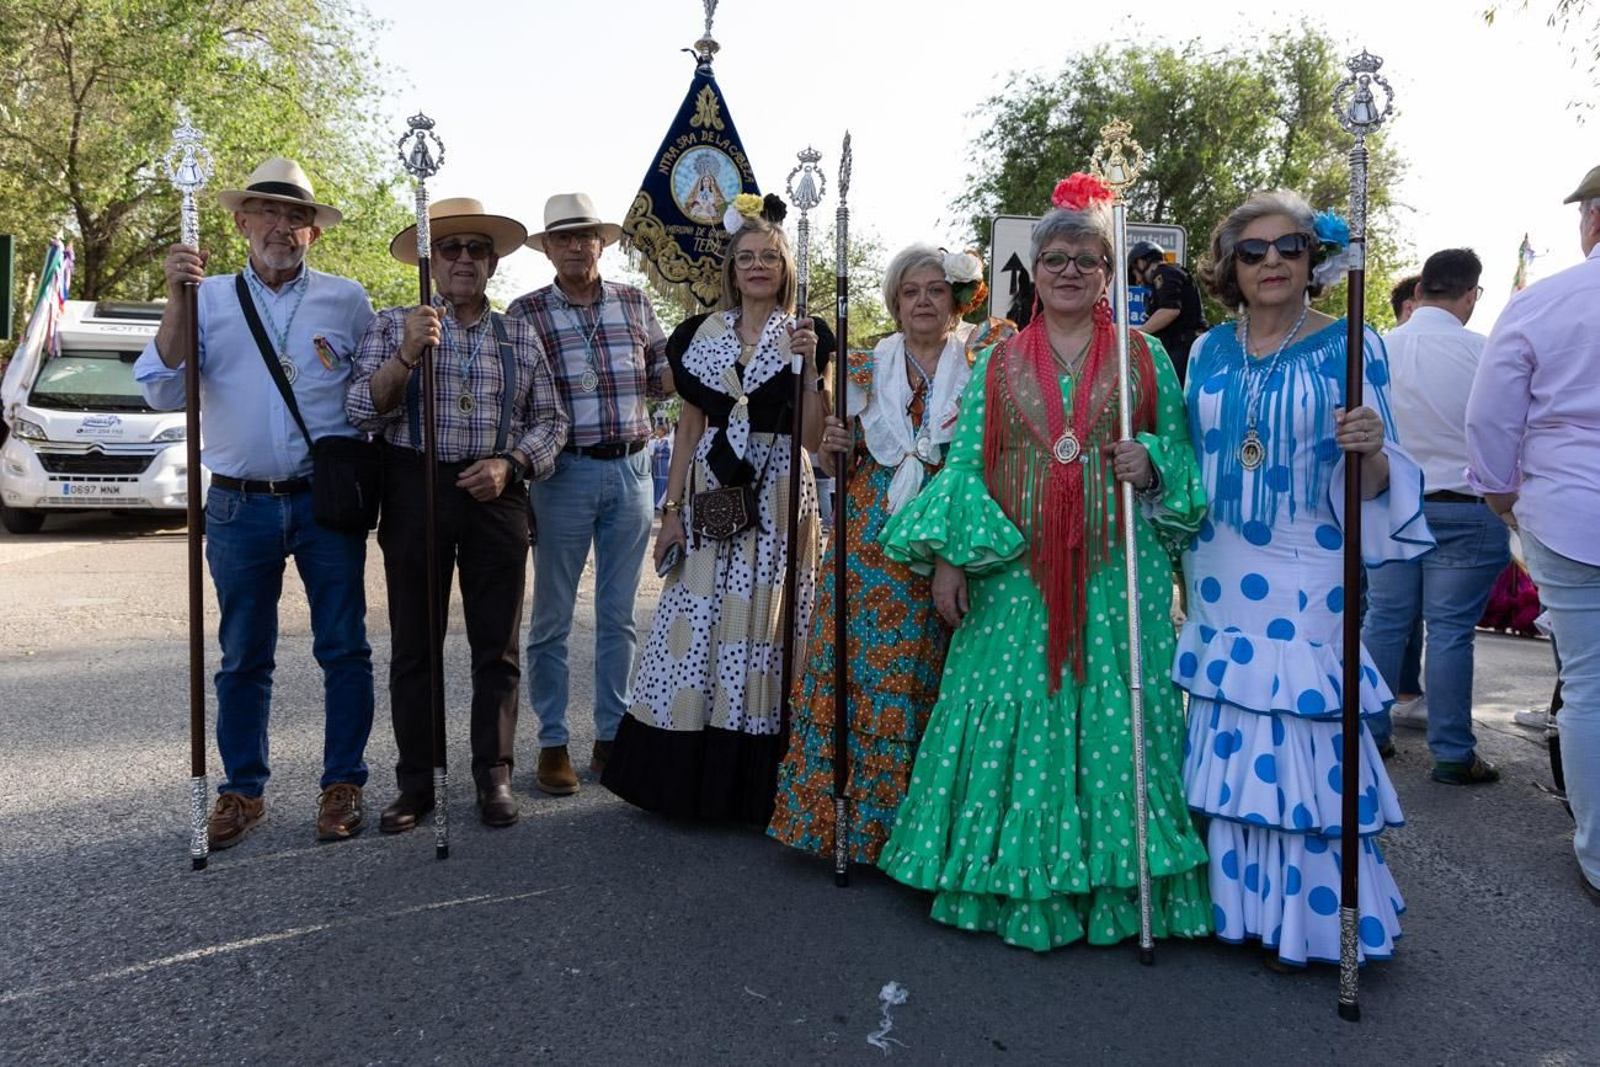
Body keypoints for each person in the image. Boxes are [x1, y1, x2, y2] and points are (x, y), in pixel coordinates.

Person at [876, 175, 1210, 951]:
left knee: (1116, 717)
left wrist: (1151, 460)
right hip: (1013, 574)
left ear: (1105, 272)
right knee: (1010, 715)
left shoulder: (1145, 355)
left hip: (1116, 569)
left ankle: (1121, 884)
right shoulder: (998, 360)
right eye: (1054, 259)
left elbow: (1189, 464)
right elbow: (964, 465)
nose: (1067, 271)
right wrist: (951, 562)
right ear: (1035, 270)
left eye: (1084, 260)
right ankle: (1008, 877)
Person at [1178, 189, 1432, 967]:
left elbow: (1372, 485)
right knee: (1229, 714)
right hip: (1219, 560)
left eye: (1289, 247)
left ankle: (1309, 916)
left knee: (1298, 717)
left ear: (1313, 258)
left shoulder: (1356, 343)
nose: (1272, 262)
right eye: (1251, 251)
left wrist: (1372, 446)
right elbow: (1191, 462)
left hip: (1308, 562)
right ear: (1229, 266)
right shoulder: (1206, 350)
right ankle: (1231, 906)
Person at [133, 158, 375, 848]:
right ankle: (242, 791)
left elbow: (370, 396)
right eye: (267, 211)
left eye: (296, 216)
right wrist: (177, 297)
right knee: (243, 654)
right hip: (239, 507)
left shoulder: (346, 300)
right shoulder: (203, 298)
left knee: (344, 647)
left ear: (313, 234)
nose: (281, 226)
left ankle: (343, 783)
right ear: (240, 222)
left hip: (324, 502)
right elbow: (157, 387)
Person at [768, 245, 1002, 864]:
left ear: (956, 300)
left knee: (935, 669)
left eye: (934, 290)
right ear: (895, 303)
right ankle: (850, 827)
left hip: (949, 528)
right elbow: (823, 446)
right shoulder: (864, 364)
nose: (923, 301)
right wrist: (829, 418)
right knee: (860, 670)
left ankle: (920, 833)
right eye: (910, 292)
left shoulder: (981, 361)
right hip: (871, 537)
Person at [602, 200, 833, 824]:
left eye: (769, 258)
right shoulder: (696, 338)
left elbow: (812, 437)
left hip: (781, 485)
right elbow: (688, 428)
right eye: (747, 258)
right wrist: (671, 508)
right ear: (732, 270)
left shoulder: (808, 333)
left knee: (764, 624)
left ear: (785, 269)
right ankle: (687, 777)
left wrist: (810, 368)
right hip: (710, 486)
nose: (758, 267)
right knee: (697, 621)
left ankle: (759, 784)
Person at [346, 198, 568, 831]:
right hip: (415, 487)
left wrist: (513, 464)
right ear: (430, 261)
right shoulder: (395, 324)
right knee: (416, 645)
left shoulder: (519, 335)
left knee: (496, 648)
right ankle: (417, 782)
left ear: (494, 264)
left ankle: (493, 775)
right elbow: (361, 409)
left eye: (476, 249)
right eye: (450, 249)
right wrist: (408, 356)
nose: (464, 259)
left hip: (497, 494)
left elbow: (552, 422)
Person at [506, 193, 670, 794]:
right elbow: (515, 400)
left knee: (620, 616)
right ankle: (553, 742)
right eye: (564, 237)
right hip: (561, 474)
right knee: (551, 616)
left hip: (632, 469)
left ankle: (611, 735)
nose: (576, 246)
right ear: (547, 247)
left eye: (586, 235)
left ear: (602, 242)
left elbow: (662, 377)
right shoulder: (522, 313)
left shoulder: (634, 301)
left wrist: (707, 344)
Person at [1467, 165, 1600, 905]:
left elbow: (1492, 416)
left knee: (1588, 687)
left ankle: (1598, 853)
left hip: (1571, 513)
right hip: (1567, 510)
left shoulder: (1544, 302)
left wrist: (1501, 492)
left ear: (1593, 221)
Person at [1361, 248, 1507, 782]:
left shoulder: (1378, 347)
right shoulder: (1482, 352)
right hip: (1465, 505)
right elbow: (1503, 430)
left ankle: (1370, 735)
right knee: (1449, 632)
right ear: (1471, 294)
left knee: (1383, 620)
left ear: (1419, 291)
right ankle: (1451, 752)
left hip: (1390, 501)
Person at [1130, 240, 1206, 386]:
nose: (1138, 281)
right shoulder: (1169, 274)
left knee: (1174, 396)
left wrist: (1137, 336)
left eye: (1135, 274)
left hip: (1183, 348)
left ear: (1141, 262)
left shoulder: (1164, 272)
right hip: (1181, 347)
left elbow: (1170, 310)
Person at [649, 419, 674, 507]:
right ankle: (656, 502)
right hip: (657, 465)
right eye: (656, 429)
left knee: (664, 481)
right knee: (658, 481)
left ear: (663, 430)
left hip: (664, 464)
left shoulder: (667, 440)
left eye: (658, 429)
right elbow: (652, 453)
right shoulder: (655, 441)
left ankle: (664, 503)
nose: (656, 431)